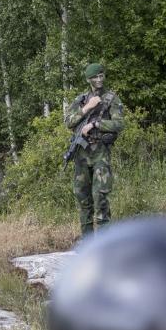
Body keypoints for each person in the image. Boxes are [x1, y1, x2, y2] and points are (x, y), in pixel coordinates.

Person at [64, 63, 124, 236]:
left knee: (101, 198)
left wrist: (95, 124)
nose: (99, 80)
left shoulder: (111, 98)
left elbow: (119, 124)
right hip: (81, 156)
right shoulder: (82, 99)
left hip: (100, 155)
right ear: (89, 79)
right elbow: (69, 122)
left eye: (101, 75)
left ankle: (104, 244)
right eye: (95, 77)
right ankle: (87, 243)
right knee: (83, 199)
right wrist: (88, 107)